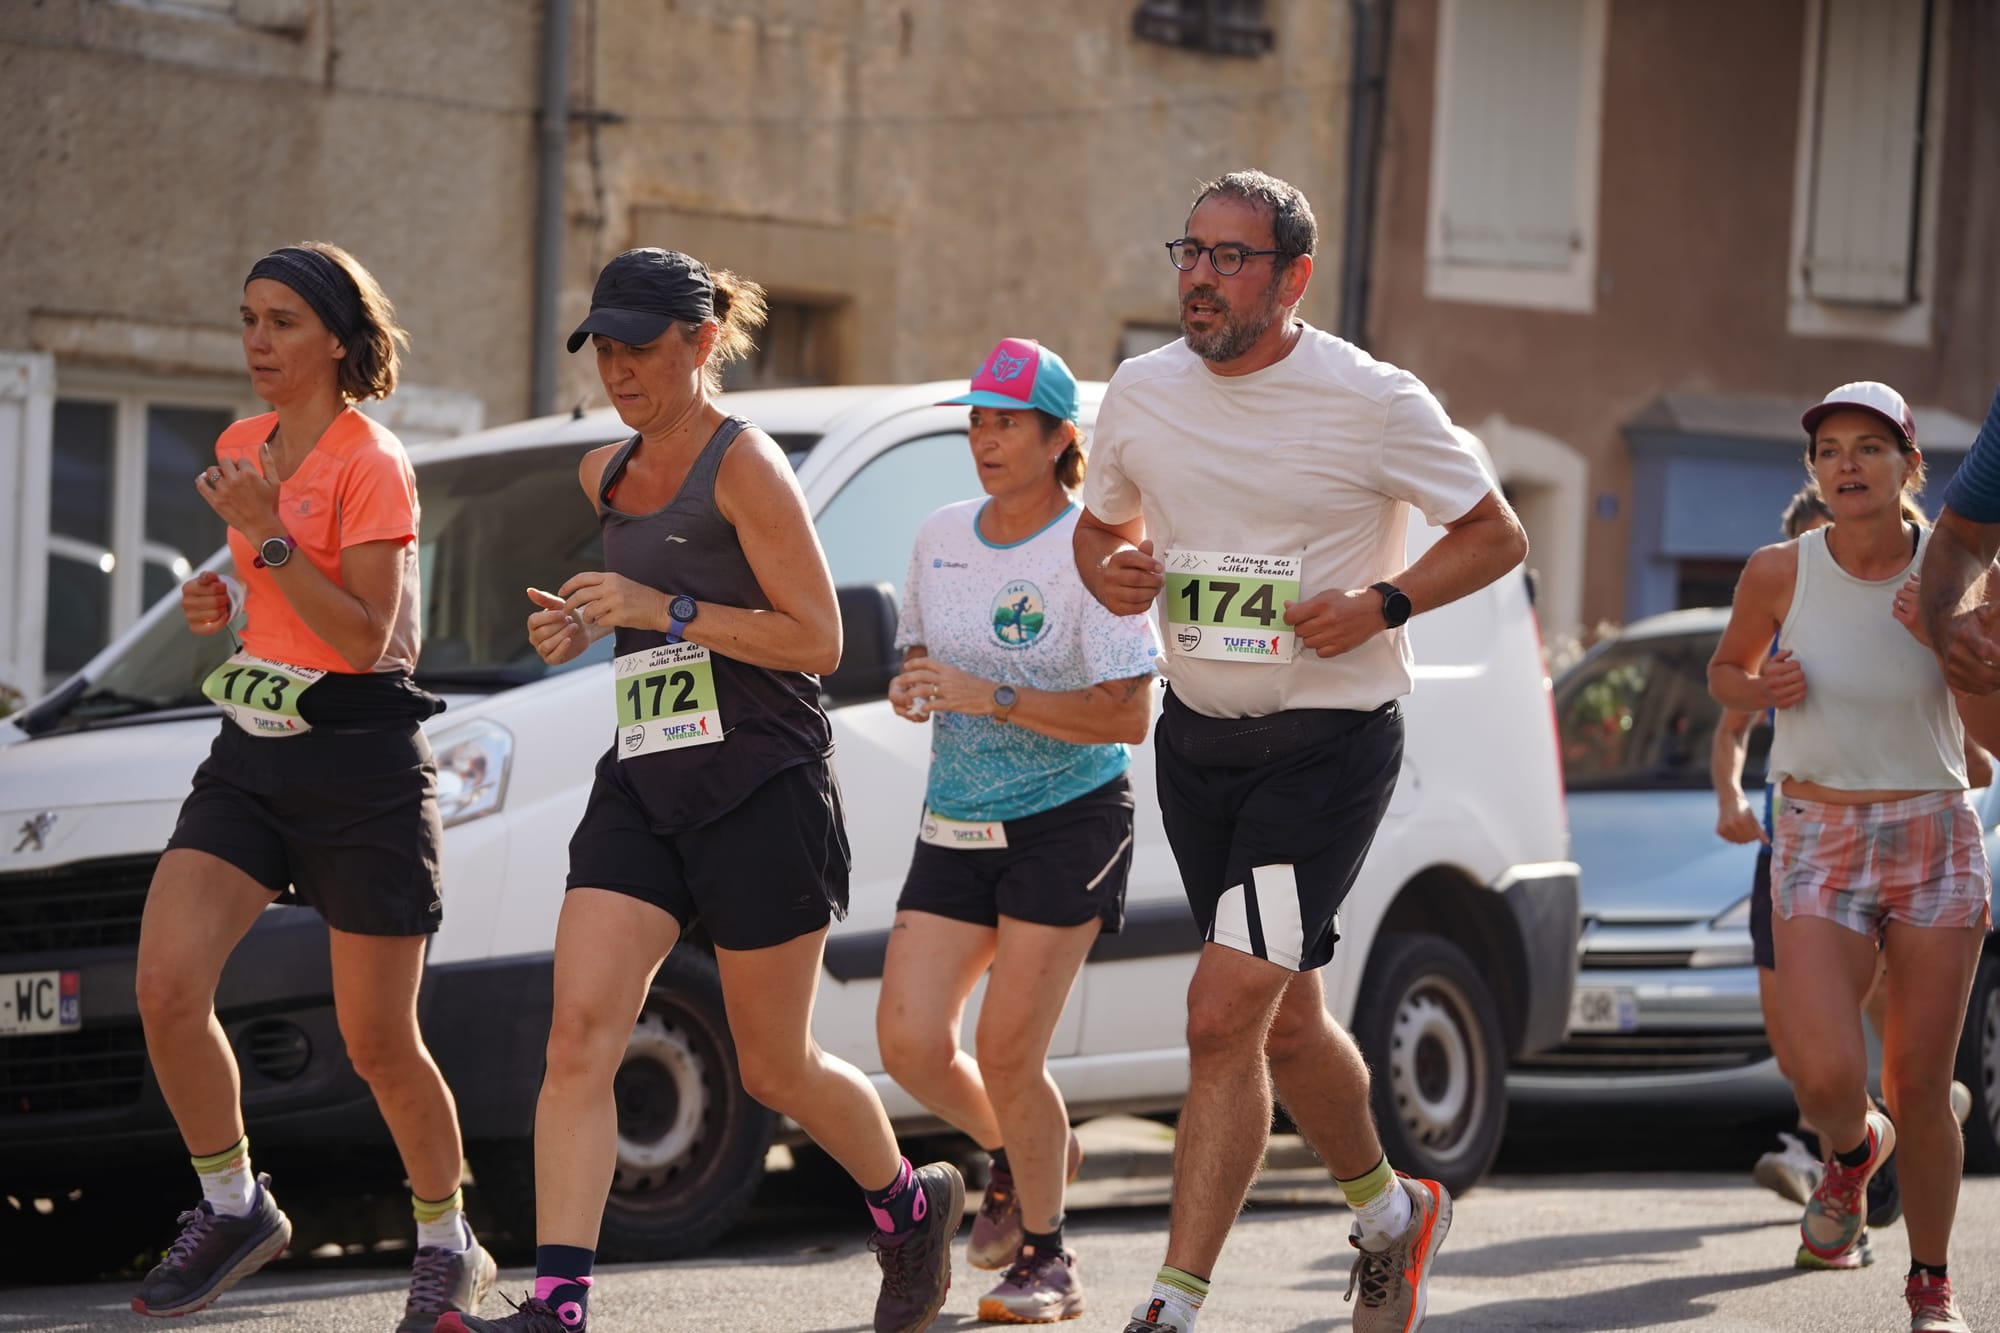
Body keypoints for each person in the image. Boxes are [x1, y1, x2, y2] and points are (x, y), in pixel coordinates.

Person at [437, 249, 961, 1333]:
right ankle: (563, 1303)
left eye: (641, 347)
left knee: (774, 1065)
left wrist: (660, 606)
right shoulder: (604, 475)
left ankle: (909, 1205)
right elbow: (634, 608)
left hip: (760, 785)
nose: (620, 369)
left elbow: (815, 639)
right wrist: (582, 622)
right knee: (578, 1032)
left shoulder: (745, 467)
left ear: (701, 342)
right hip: (644, 780)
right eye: (606, 349)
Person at [1073, 170, 1528, 1333]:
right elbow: (1099, 525)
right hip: (1196, 745)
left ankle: (1173, 1302)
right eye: (1190, 251)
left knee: (1220, 1012)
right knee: (1281, 1015)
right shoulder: (1137, 390)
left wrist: (1383, 601)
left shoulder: (1371, 400)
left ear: (1291, 278)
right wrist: (1109, 567)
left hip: (1323, 752)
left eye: (1230, 258)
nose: (1199, 278)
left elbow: (1494, 533)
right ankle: (1390, 1214)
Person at [131, 243, 495, 1331]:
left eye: (282, 321)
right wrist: (217, 597)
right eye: (247, 318)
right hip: (251, 752)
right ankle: (235, 1203)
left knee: (380, 1041)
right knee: (164, 985)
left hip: (360, 760)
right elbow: (266, 599)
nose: (257, 342)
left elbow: (367, 634)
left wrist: (265, 537)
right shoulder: (244, 443)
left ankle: (446, 1238)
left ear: (336, 337)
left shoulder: (371, 460)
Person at [874, 338, 1160, 1324]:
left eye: (1006, 421)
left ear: (1057, 438)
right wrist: (914, 686)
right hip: (954, 819)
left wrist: (990, 693)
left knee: (1007, 1046)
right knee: (908, 1042)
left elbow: (1128, 714)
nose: (985, 438)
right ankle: (1034, 1146)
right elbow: (917, 650)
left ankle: (1047, 1258)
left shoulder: (1097, 548)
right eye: (977, 421)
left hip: (1068, 817)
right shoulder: (939, 533)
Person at [1708, 381, 1990, 1332]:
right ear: (1814, 473)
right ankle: (1852, 1150)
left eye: (1870, 447)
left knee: (1920, 1080)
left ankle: (1931, 1284)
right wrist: (1761, 680)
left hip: (1933, 832)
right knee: (1825, 1075)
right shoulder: (1778, 569)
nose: (1847, 464)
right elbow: (1724, 671)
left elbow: (1992, 734)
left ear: (1913, 467)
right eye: (1829, 450)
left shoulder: (1961, 576)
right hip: (1817, 834)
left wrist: (1948, 638)